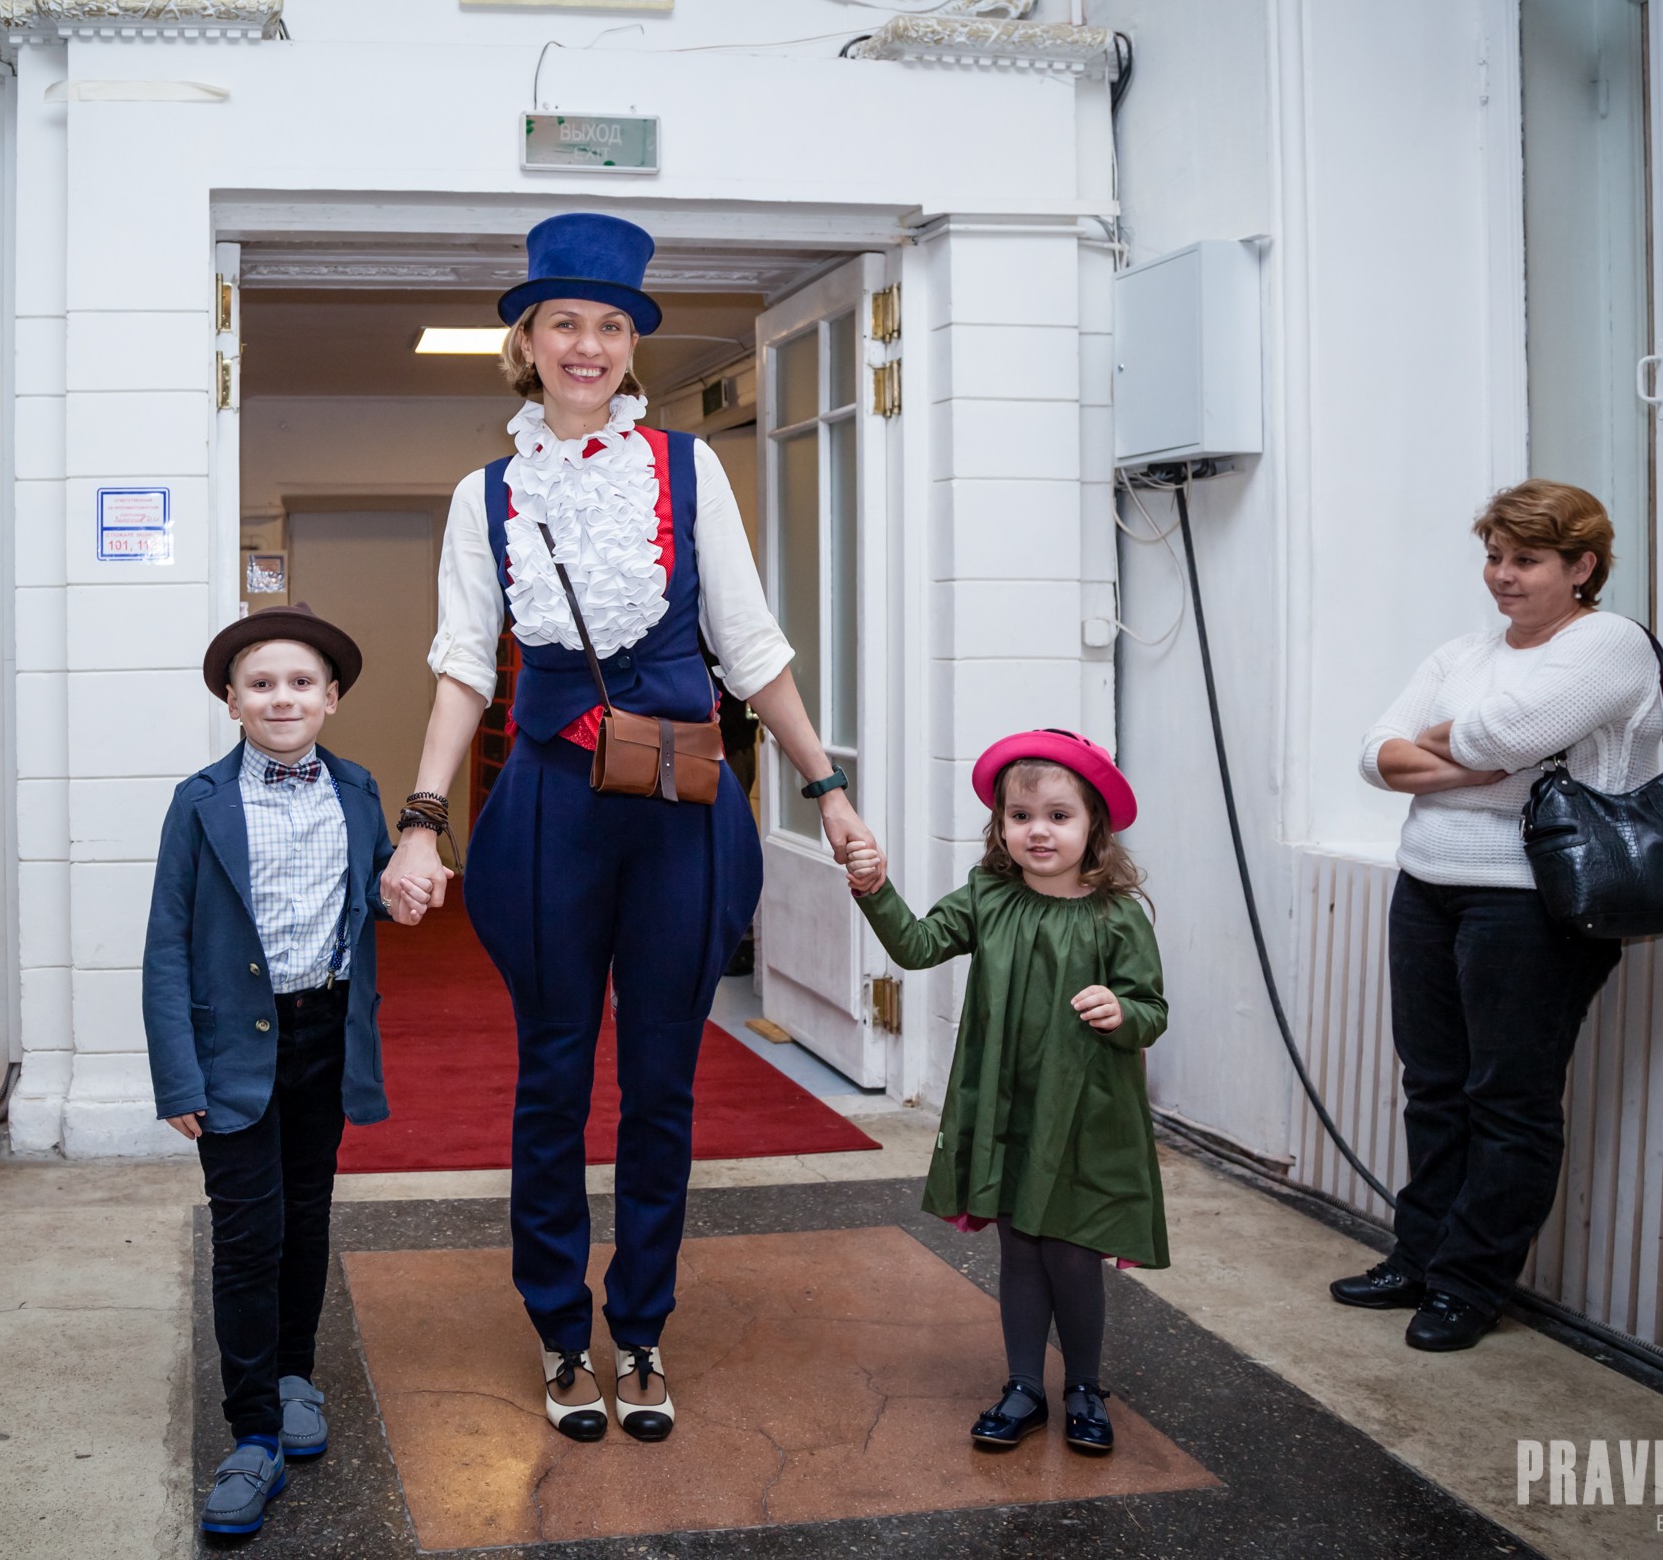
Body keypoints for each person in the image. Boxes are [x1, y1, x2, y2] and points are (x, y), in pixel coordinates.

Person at [380, 212, 873, 1442]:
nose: (588, 346)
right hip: (549, 806)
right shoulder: (486, 494)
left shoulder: (689, 470)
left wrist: (826, 788)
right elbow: (462, 665)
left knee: (662, 1080)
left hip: (679, 808)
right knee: (551, 1077)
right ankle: (560, 1331)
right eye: (565, 323)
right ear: (526, 342)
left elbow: (749, 645)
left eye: (610, 326)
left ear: (629, 346)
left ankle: (641, 1327)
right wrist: (423, 822)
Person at [1333, 480, 1663, 1351]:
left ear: (1582, 566)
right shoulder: (1461, 653)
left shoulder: (1609, 645)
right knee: (1434, 1085)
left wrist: (1451, 746)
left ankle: (1468, 1284)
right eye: (1494, 556)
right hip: (1427, 884)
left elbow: (1507, 737)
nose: (1503, 575)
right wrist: (1474, 763)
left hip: (1533, 901)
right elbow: (1374, 754)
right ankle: (1419, 1257)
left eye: (1527, 559)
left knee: (1508, 1099)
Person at [142, 605, 395, 1537]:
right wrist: (179, 1077)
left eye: (300, 682)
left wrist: (404, 887)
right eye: (261, 684)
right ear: (232, 701)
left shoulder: (358, 790)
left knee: (306, 1214)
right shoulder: (200, 800)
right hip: (233, 1051)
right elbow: (166, 945)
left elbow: (373, 893)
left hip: (326, 1035)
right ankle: (252, 1433)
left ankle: (294, 1376)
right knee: (248, 1236)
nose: (281, 697)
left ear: (331, 698)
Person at [843, 730, 1168, 1456]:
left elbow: (1152, 1009)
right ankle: (1024, 1386)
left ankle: (1083, 1387)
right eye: (1020, 816)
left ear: (1094, 826)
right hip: (1006, 1109)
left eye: (1058, 815)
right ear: (1001, 826)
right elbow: (917, 945)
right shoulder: (988, 897)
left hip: (1084, 1117)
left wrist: (1122, 1011)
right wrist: (875, 889)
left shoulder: (1117, 915)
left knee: (1072, 1254)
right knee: (1021, 1249)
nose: (1038, 831)